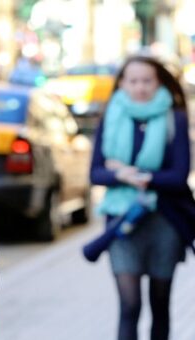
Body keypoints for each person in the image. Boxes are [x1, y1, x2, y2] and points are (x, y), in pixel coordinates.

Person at [90, 54, 195, 340]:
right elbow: (96, 173)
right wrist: (121, 176)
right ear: (122, 83)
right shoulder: (111, 115)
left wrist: (134, 174)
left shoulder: (175, 118)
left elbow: (178, 176)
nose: (140, 87)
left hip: (165, 222)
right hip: (123, 223)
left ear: (159, 82)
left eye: (147, 80)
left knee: (160, 305)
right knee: (130, 305)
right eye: (133, 81)